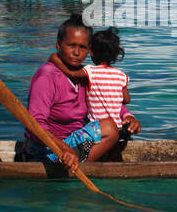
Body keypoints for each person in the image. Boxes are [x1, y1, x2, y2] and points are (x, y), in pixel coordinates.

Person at [23, 15, 141, 172]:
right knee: (109, 129)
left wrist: (128, 116)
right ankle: (78, 169)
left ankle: (82, 162)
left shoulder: (85, 75)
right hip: (46, 151)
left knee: (118, 130)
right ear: (58, 45)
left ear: (89, 50)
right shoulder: (47, 76)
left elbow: (106, 101)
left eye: (82, 47)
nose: (77, 53)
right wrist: (64, 148)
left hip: (73, 144)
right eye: (71, 45)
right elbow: (35, 124)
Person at [48, 28, 129, 163]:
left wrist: (55, 59)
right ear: (115, 55)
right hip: (121, 132)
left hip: (101, 132)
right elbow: (126, 99)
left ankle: (83, 164)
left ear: (91, 52)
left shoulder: (90, 71)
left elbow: (71, 73)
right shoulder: (120, 75)